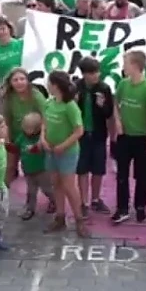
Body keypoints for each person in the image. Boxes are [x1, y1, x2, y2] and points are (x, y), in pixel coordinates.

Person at [42, 71, 90, 238]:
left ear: (56, 85)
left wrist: (63, 145)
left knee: (69, 185)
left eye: (49, 82)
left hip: (67, 152)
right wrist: (43, 139)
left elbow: (79, 131)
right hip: (51, 150)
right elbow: (44, 123)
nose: (47, 85)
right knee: (56, 183)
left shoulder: (70, 106)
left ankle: (79, 219)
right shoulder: (49, 102)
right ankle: (60, 217)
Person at [112, 51, 146, 224]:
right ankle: (122, 208)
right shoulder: (123, 84)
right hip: (125, 137)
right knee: (122, 174)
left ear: (136, 66)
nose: (123, 67)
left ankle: (140, 206)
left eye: (126, 63)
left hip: (142, 137)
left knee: (142, 175)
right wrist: (118, 121)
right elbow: (116, 103)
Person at [75, 57, 113, 217]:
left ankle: (96, 199)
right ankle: (83, 201)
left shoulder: (104, 88)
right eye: (92, 73)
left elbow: (109, 112)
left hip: (98, 134)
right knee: (82, 169)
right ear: (84, 74)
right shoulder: (76, 87)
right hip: (81, 135)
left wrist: (102, 105)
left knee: (98, 169)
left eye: (97, 72)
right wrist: (75, 102)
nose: (96, 75)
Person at [0, 68, 46, 185]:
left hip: (34, 136)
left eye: (22, 79)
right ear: (10, 82)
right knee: (9, 166)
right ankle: (3, 195)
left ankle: (50, 196)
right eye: (15, 80)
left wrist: (42, 139)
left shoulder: (35, 95)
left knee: (38, 170)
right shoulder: (8, 97)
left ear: (27, 80)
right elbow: (6, 119)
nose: (19, 82)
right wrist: (7, 139)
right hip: (16, 134)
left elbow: (46, 117)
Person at [13, 112, 54, 220]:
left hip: (42, 170)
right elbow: (16, 146)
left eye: (29, 128)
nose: (25, 129)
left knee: (47, 189)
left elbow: (42, 148)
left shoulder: (40, 139)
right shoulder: (22, 136)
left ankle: (54, 201)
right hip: (28, 170)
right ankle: (30, 209)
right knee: (31, 191)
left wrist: (36, 148)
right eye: (25, 126)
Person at [0, 17, 23, 91]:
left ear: (9, 29)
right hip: (6, 90)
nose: (1, 32)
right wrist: (0, 93)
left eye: (3, 29)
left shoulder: (21, 44)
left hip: (24, 85)